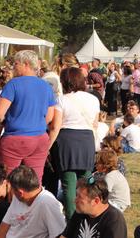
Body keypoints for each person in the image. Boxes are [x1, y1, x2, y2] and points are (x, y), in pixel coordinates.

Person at [0, 50, 57, 180]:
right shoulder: (46, 86)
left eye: (16, 64)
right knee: (34, 181)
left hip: (16, 139)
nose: (13, 67)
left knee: (9, 180)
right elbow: (49, 117)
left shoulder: (13, 84)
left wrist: (6, 121)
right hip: (40, 138)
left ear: (26, 64)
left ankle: (11, 200)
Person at [48, 67, 100, 218]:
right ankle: (88, 216)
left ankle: (72, 220)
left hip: (67, 141)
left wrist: (47, 147)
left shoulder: (62, 100)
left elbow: (55, 127)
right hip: (87, 139)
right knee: (87, 182)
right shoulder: (93, 99)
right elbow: (95, 124)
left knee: (69, 184)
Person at [0, 164, 66, 238]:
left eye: (12, 189)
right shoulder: (17, 199)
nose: (11, 191)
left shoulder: (47, 203)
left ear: (20, 192)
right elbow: (3, 228)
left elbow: (60, 235)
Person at [60, 175, 127, 238]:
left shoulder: (114, 220)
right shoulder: (80, 212)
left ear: (96, 201)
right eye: (76, 195)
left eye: (80, 197)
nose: (74, 201)